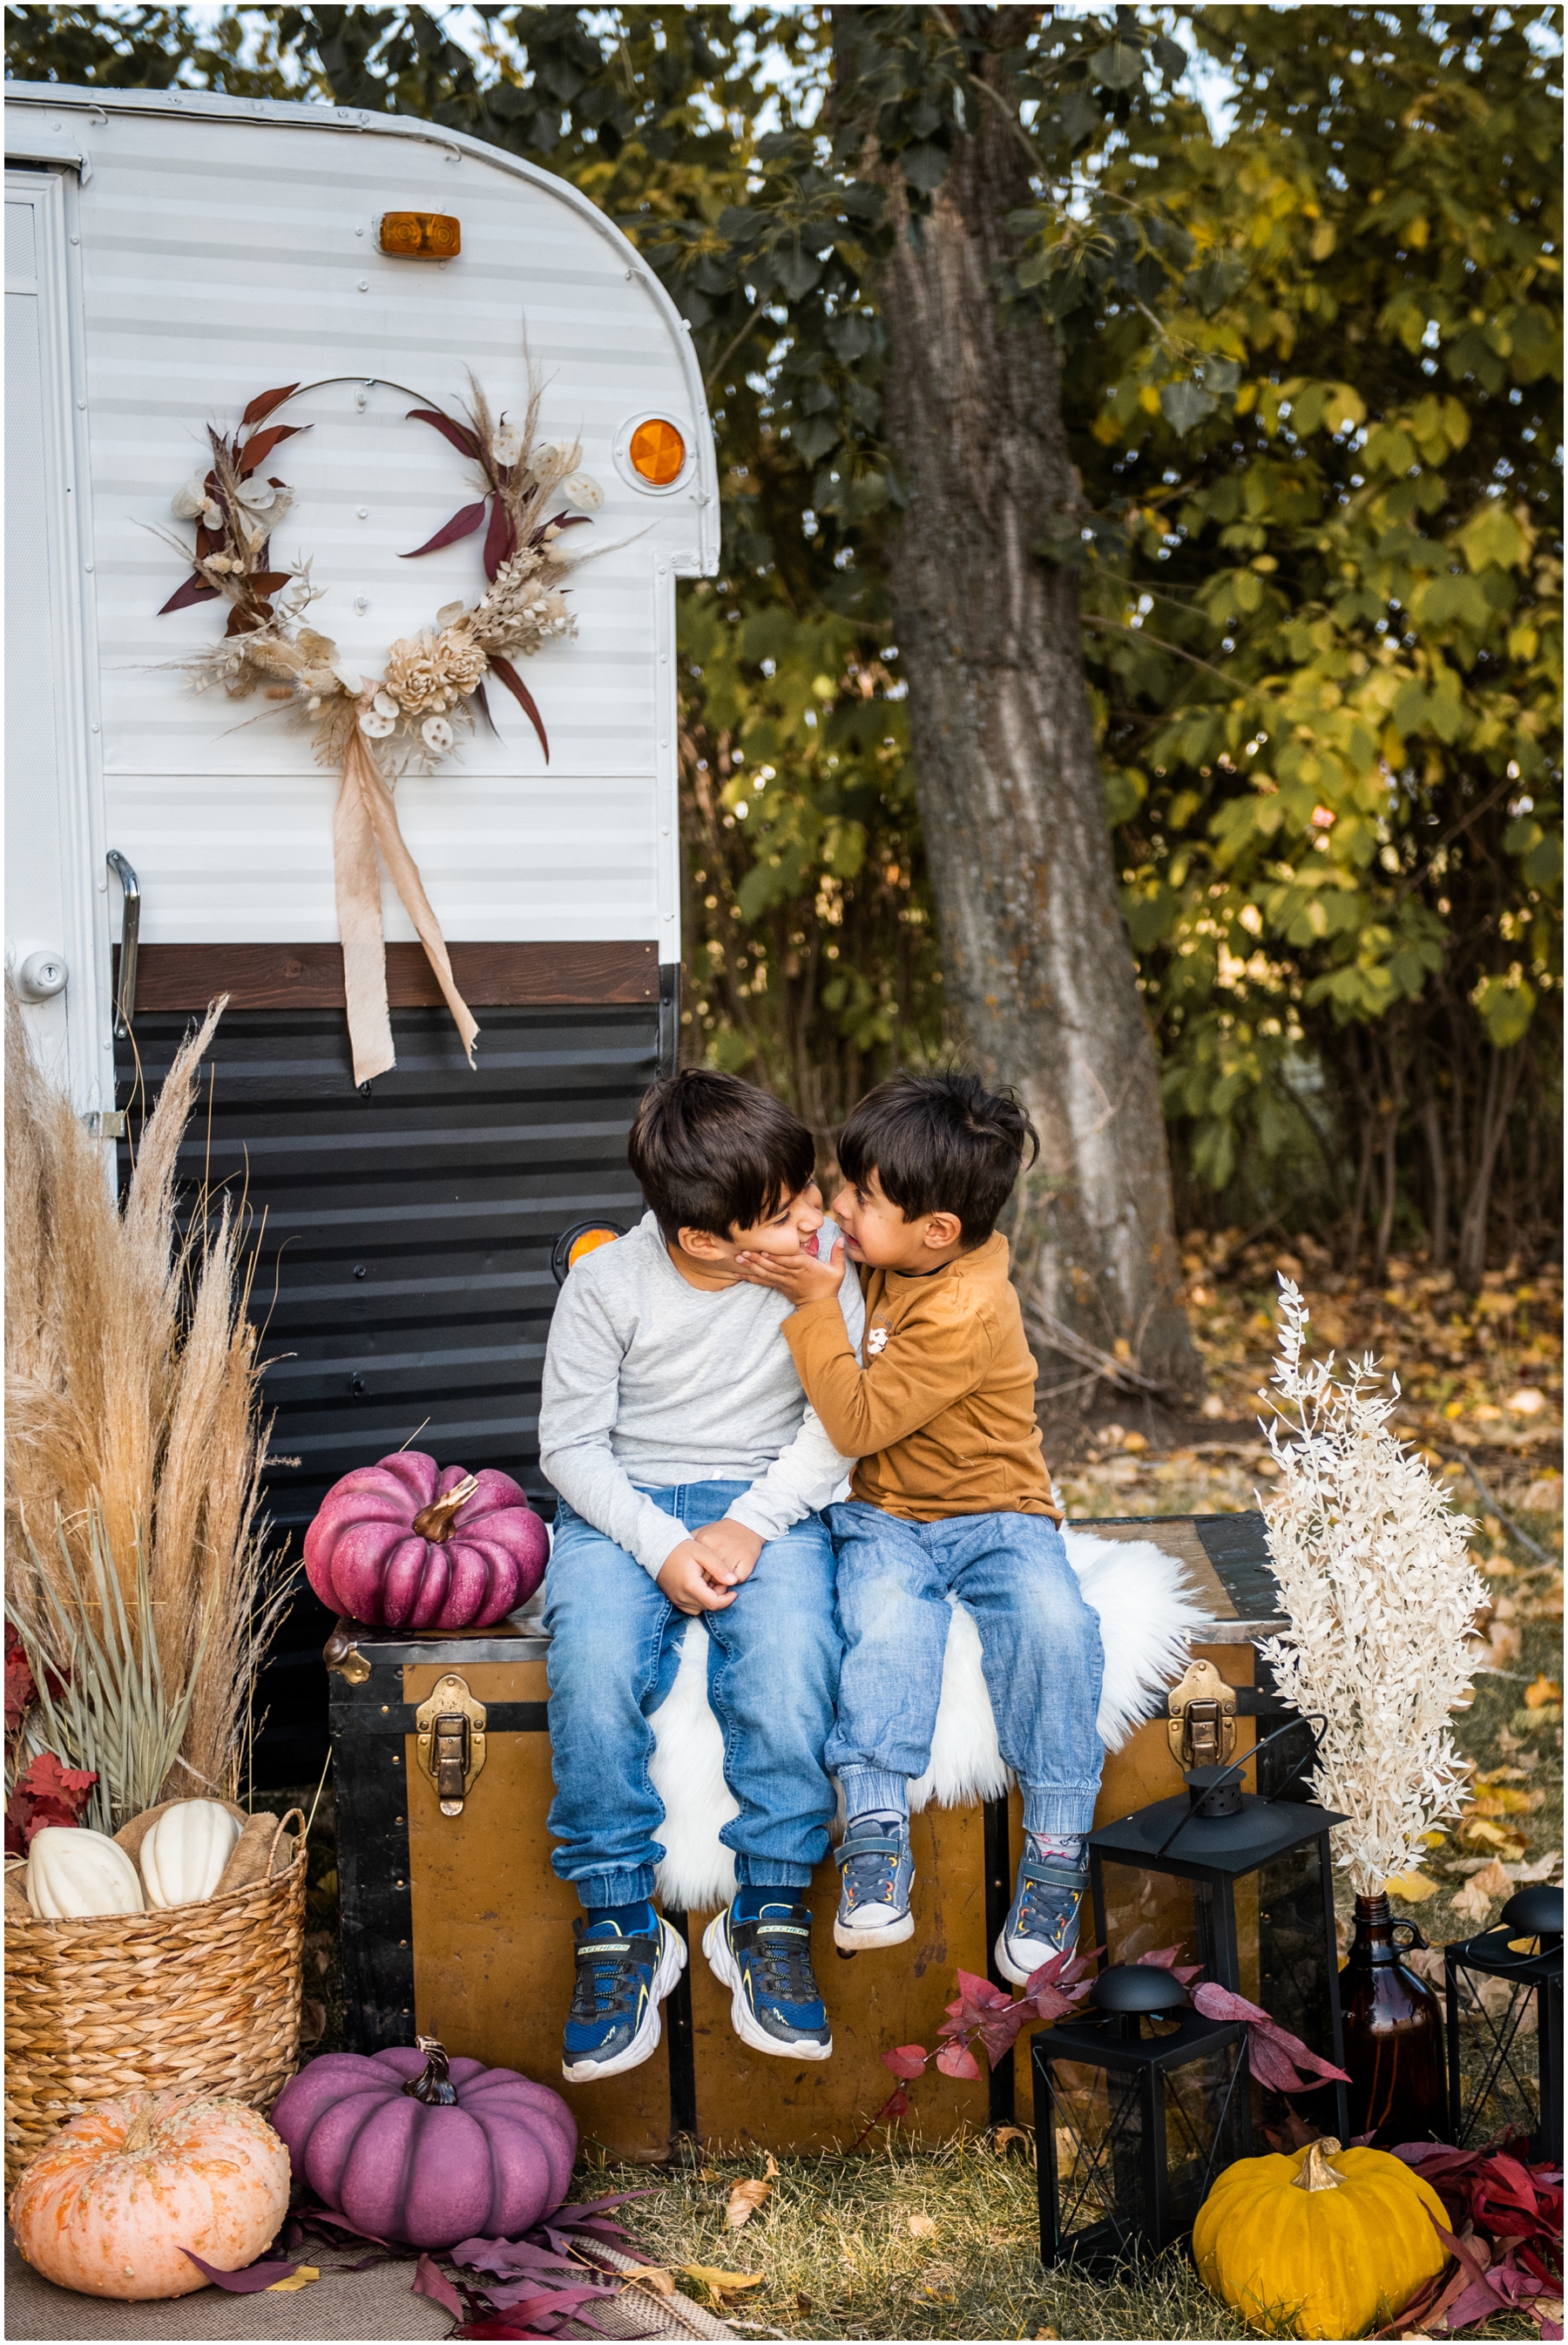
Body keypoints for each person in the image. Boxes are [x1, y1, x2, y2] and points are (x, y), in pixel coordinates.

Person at [733, 1070, 1105, 1985]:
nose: (842, 1209)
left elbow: (856, 1423)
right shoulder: (887, 1249)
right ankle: (875, 1831)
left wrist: (816, 1304)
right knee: (887, 1624)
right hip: (885, 1516)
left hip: (1000, 1514)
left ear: (937, 1231)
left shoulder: (970, 1307)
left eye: (862, 1197)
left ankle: (1057, 1846)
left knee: (1056, 1624)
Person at [538, 1069, 864, 2082]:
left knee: (793, 1653)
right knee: (590, 1659)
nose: (813, 1217)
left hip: (771, 1497)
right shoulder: (608, 1287)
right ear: (704, 1240)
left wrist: (752, 1524)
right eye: (782, 1213)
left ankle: (766, 1904)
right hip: (622, 1503)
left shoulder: (818, 1277)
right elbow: (570, 1445)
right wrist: (658, 1544)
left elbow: (835, 1430)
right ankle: (619, 1921)